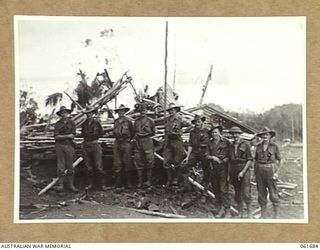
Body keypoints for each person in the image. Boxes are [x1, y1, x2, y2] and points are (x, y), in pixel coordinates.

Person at [255, 127, 282, 219]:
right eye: (263, 135)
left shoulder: (274, 146)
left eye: (267, 134)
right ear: (261, 136)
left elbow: (281, 160)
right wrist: (255, 174)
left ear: (270, 136)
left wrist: (277, 173)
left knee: (273, 192)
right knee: (261, 193)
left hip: (271, 169)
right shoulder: (258, 146)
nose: (265, 136)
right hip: (260, 170)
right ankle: (263, 215)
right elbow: (255, 160)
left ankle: (276, 215)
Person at [206, 124, 231, 218]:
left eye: (216, 132)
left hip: (223, 169)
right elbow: (206, 155)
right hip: (213, 168)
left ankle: (227, 210)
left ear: (220, 133)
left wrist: (225, 159)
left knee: (223, 189)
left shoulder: (226, 142)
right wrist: (213, 157)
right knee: (216, 189)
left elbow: (231, 154)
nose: (214, 134)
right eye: (212, 132)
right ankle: (219, 208)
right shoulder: (210, 143)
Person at [228, 126, 253, 218]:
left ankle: (249, 212)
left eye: (237, 133)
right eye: (233, 134)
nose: (235, 135)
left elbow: (250, 159)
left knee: (246, 192)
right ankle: (240, 212)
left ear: (240, 134)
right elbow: (229, 160)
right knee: (237, 192)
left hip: (244, 168)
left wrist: (243, 172)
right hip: (234, 169)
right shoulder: (230, 145)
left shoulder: (246, 144)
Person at [163, 103, 189, 187]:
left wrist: (183, 131)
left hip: (177, 141)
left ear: (176, 110)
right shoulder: (166, 119)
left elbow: (191, 125)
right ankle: (169, 179)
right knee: (166, 162)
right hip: (168, 141)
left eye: (172, 110)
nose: (171, 112)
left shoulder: (180, 119)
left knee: (177, 160)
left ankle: (176, 179)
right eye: (169, 110)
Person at [181, 115, 209, 190]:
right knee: (184, 166)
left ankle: (204, 190)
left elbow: (212, 144)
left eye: (199, 121)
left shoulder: (208, 131)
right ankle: (187, 186)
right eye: (196, 122)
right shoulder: (192, 132)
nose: (197, 123)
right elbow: (190, 144)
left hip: (204, 153)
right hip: (195, 152)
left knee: (207, 171)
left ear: (202, 122)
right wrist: (187, 157)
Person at [81, 106, 106, 190]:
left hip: (95, 144)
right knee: (88, 166)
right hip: (86, 145)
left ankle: (102, 184)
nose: (89, 115)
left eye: (90, 113)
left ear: (93, 114)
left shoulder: (97, 123)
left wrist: (94, 138)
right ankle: (90, 184)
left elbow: (101, 133)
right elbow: (82, 134)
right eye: (87, 114)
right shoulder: (84, 124)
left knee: (98, 165)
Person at [54, 106, 78, 192]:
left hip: (69, 145)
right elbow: (56, 137)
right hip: (60, 146)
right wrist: (67, 136)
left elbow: (73, 135)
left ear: (68, 113)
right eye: (62, 113)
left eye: (65, 113)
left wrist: (63, 136)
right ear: (60, 114)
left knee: (70, 166)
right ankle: (61, 185)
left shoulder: (72, 123)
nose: (64, 114)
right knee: (61, 166)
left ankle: (71, 185)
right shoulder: (57, 124)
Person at [112, 104, 135, 188]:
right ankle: (118, 182)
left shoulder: (128, 121)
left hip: (126, 142)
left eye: (122, 111)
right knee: (117, 162)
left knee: (127, 162)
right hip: (117, 142)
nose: (120, 112)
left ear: (125, 112)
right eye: (119, 111)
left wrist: (128, 139)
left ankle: (128, 182)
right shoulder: (115, 121)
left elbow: (133, 132)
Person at [133, 103, 155, 188]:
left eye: (144, 110)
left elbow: (153, 132)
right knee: (138, 161)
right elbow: (135, 131)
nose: (143, 112)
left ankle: (148, 181)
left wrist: (145, 133)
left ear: (147, 111)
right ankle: (140, 182)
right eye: (141, 111)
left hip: (147, 142)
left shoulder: (150, 121)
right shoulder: (136, 121)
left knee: (150, 161)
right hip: (138, 142)